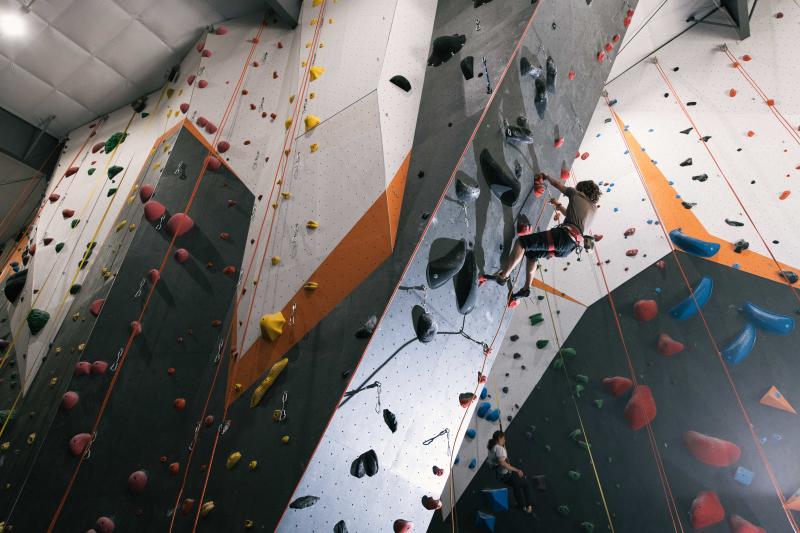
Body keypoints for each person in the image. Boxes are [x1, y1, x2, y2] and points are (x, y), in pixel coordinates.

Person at [490, 173, 601, 306]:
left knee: (522, 243)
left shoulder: (576, 194)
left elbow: (558, 185)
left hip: (562, 237)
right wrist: (558, 205)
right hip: (569, 247)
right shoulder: (594, 210)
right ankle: (526, 288)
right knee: (532, 253)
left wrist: (547, 176)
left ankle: (503, 276)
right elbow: (573, 217)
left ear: (582, 189)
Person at [486, 430, 535, 514]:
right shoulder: (499, 449)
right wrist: (517, 470)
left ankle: (521, 505)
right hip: (506, 475)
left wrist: (502, 447)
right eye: (503, 438)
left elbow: (497, 461)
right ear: (499, 438)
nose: (505, 440)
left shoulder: (492, 447)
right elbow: (503, 464)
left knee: (517, 485)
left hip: (501, 476)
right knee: (526, 484)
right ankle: (528, 506)